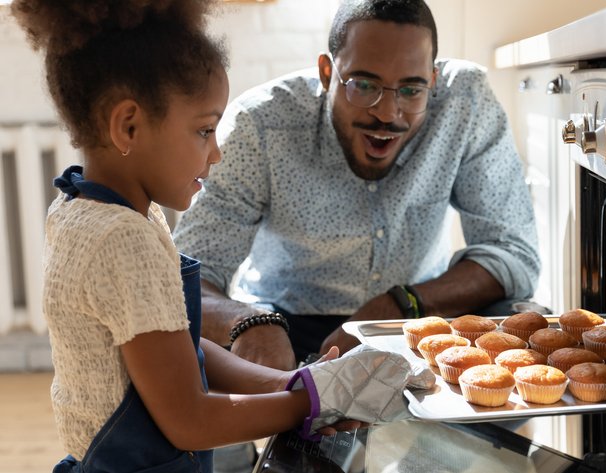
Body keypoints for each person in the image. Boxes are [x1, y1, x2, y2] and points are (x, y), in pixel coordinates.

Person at [11, 1, 428, 472]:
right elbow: (189, 420)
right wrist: (315, 400)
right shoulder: (123, 240)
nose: (216, 154)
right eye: (204, 130)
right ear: (128, 125)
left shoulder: (87, 208)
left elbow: (177, 345)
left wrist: (287, 384)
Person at [173, 0, 540, 369]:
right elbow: (184, 276)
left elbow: (513, 253)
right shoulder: (260, 124)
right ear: (327, 72)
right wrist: (247, 324)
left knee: (524, 327)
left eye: (411, 90)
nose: (387, 113)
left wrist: (396, 304)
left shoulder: (466, 101)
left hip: (417, 315)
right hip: (285, 324)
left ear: (432, 79)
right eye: (364, 85)